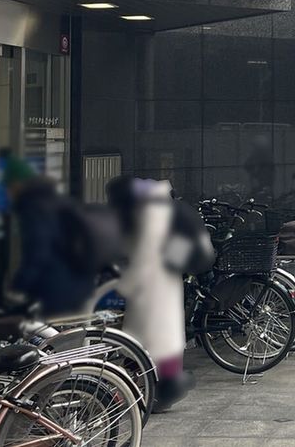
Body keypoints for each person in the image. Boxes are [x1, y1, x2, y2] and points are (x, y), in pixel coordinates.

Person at [107, 176, 192, 412]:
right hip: (164, 285)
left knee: (144, 341)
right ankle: (159, 389)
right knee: (160, 341)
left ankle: (151, 390)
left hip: (149, 287)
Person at [7, 164, 97, 317]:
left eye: (9, 186)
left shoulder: (33, 207)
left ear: (18, 184)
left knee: (46, 329)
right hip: (79, 283)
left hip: (56, 286)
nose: (8, 192)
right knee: (66, 328)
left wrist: (19, 286)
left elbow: (38, 251)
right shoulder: (60, 201)